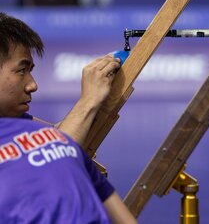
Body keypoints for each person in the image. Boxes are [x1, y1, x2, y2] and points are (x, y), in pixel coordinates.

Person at [0, 12, 137, 223]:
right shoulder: (55, 148)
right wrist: (88, 101)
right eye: (22, 70)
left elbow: (55, 140)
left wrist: (95, 96)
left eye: (31, 70)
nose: (32, 84)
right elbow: (57, 151)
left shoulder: (23, 127)